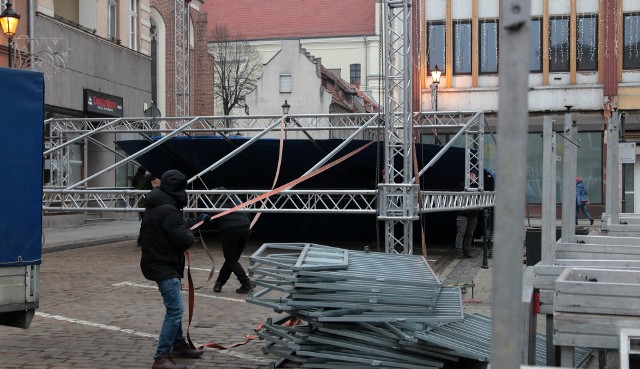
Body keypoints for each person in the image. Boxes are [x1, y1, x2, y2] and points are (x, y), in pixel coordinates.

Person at [139, 169, 206, 369]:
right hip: (163, 265)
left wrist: (198, 221)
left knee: (174, 308)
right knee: (175, 310)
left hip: (159, 262)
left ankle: (178, 345)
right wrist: (190, 236)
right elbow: (183, 238)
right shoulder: (168, 209)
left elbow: (175, 225)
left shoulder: (159, 205)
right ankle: (161, 357)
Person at [208, 190, 253, 294]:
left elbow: (211, 221)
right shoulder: (236, 198)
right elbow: (248, 213)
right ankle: (219, 283)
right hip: (245, 229)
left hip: (230, 230)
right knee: (232, 260)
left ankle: (246, 283)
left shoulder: (216, 202)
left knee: (231, 260)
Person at [455, 169, 480, 258]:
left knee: (470, 233)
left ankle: (466, 250)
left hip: (473, 213)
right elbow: (461, 189)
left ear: (476, 177)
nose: (471, 176)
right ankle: (458, 250)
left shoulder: (478, 186)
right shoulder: (463, 184)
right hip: (463, 212)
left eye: (473, 174)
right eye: (470, 174)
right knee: (461, 231)